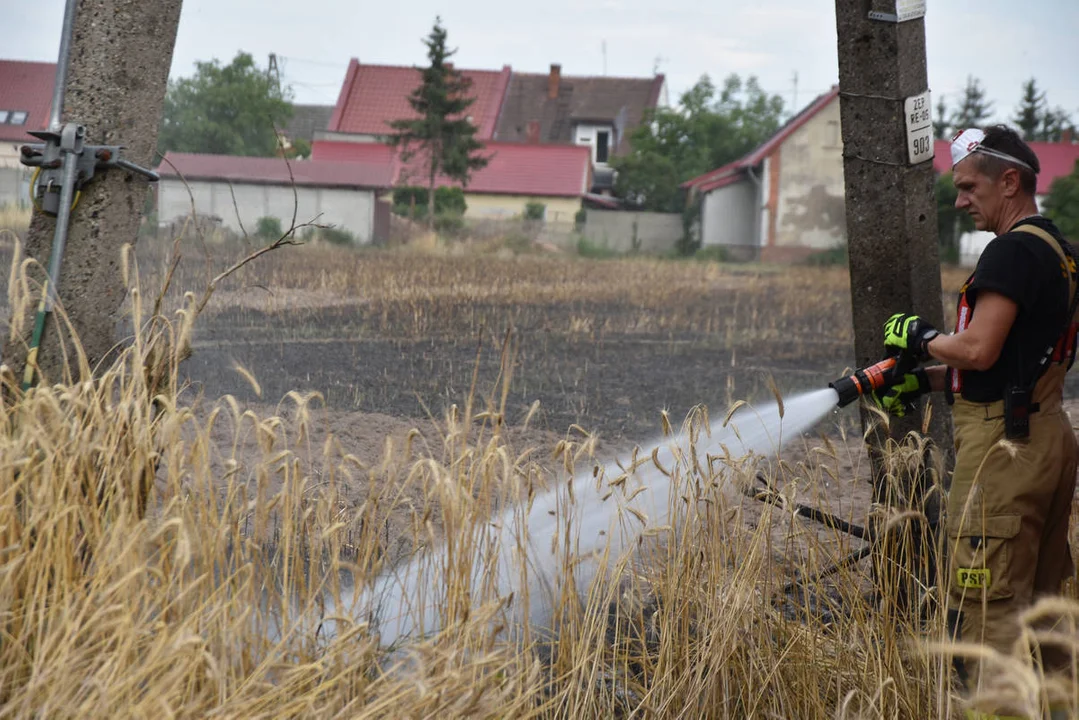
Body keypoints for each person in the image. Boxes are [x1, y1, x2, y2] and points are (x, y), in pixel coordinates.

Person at [874, 125, 1079, 707]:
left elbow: (978, 349)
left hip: (1003, 454)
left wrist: (920, 337)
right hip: (1045, 436)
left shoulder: (1012, 250)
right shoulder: (1060, 252)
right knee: (1042, 616)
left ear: (1009, 181)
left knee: (988, 611)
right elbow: (1011, 363)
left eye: (968, 187)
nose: (960, 200)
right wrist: (925, 379)